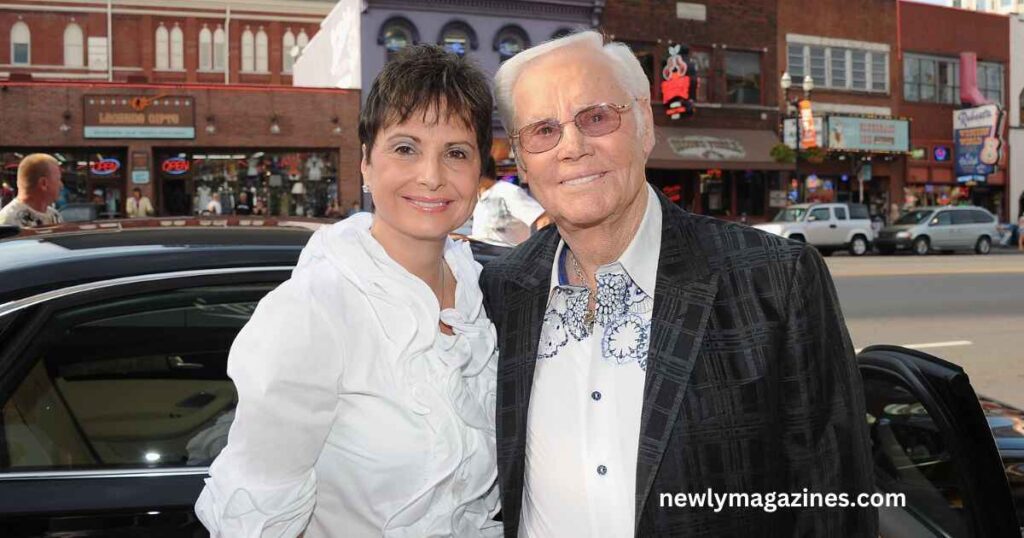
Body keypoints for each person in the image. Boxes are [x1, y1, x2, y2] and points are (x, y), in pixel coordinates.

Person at [482, 31, 876, 537]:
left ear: (645, 124)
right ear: (521, 159)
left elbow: (834, 504)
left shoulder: (775, 280)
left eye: (597, 117)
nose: (573, 148)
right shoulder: (502, 290)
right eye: (542, 131)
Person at [195, 44, 502, 537]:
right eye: (406, 148)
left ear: (478, 170)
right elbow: (258, 521)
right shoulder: (314, 312)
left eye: (456, 153)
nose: (431, 176)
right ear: (365, 163)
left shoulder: (485, 296)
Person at [471, 156, 550, 246]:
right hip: (482, 254)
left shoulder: (507, 192)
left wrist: (537, 253)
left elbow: (544, 220)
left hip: (506, 255)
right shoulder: (478, 197)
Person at [0, 153, 64, 228]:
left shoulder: (54, 215)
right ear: (43, 183)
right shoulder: (8, 223)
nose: (61, 185)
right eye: (58, 179)